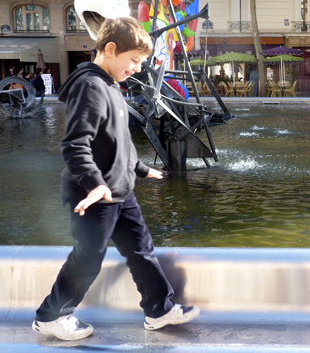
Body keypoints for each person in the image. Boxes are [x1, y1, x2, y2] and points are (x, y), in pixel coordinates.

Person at [32, 17, 199, 341]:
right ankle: (50, 316)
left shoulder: (109, 84)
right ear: (110, 49)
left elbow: (118, 140)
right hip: (93, 194)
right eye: (134, 60)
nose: (137, 68)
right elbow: (75, 143)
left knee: (141, 250)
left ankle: (159, 310)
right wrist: (95, 183)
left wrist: (140, 169)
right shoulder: (90, 86)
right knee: (88, 257)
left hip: (119, 190)